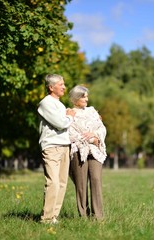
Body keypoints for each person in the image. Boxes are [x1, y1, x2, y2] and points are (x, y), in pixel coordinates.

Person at [37, 74, 76, 225]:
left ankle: (54, 216)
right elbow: (61, 123)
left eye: (64, 84)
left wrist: (68, 115)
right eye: (61, 84)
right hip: (51, 146)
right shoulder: (45, 103)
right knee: (52, 182)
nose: (64, 87)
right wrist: (70, 116)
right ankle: (46, 218)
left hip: (64, 145)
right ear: (51, 87)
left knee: (62, 182)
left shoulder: (59, 104)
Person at [68, 85, 107, 220]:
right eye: (83, 96)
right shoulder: (69, 113)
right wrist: (90, 138)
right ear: (75, 98)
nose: (86, 99)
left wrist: (96, 136)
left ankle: (98, 216)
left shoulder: (92, 112)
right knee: (81, 183)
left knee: (96, 180)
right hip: (78, 150)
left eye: (86, 96)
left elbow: (101, 128)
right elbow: (70, 133)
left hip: (95, 150)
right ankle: (83, 215)